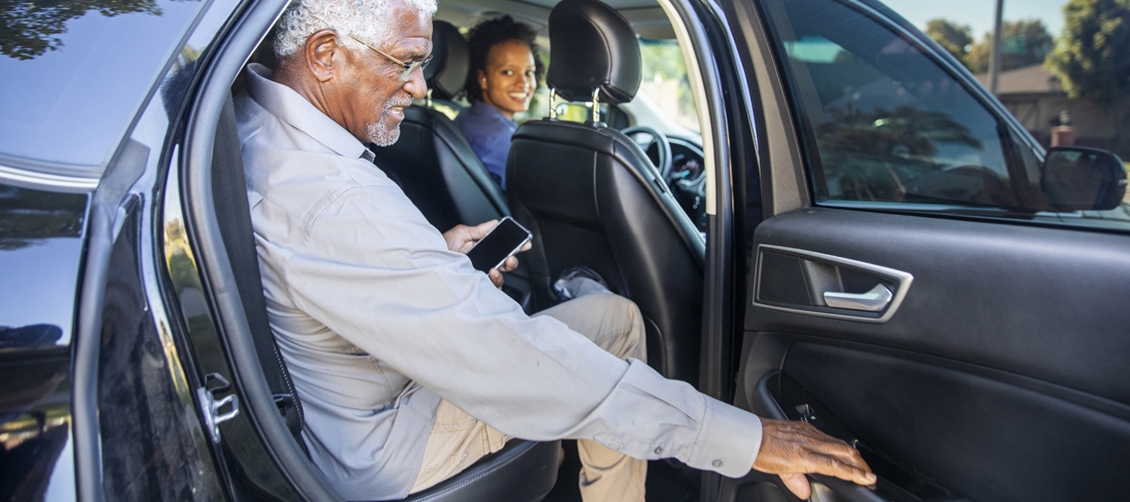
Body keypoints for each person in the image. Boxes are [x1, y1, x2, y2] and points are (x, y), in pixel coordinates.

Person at [234, 0, 877, 500]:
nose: (421, 87)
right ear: (323, 54)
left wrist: (434, 259)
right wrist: (741, 436)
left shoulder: (256, 131)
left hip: (342, 409)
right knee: (605, 336)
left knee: (612, 318)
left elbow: (344, 264)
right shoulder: (334, 198)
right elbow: (513, 363)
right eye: (404, 61)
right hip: (390, 445)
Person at [453, 16, 541, 190]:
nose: (523, 83)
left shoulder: (467, 117)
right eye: (508, 72)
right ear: (482, 78)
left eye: (529, 72)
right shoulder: (500, 139)